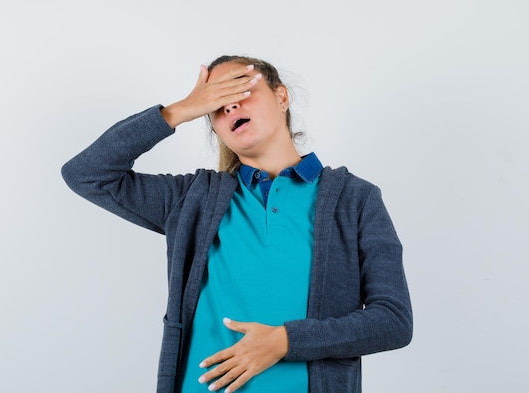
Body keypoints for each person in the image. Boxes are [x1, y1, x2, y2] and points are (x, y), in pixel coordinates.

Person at [61, 55, 413, 393]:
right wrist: (178, 111)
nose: (229, 105)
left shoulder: (355, 199)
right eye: (215, 103)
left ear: (281, 96)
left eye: (239, 89)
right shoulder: (192, 198)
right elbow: (87, 174)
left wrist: (285, 341)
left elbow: (393, 320)